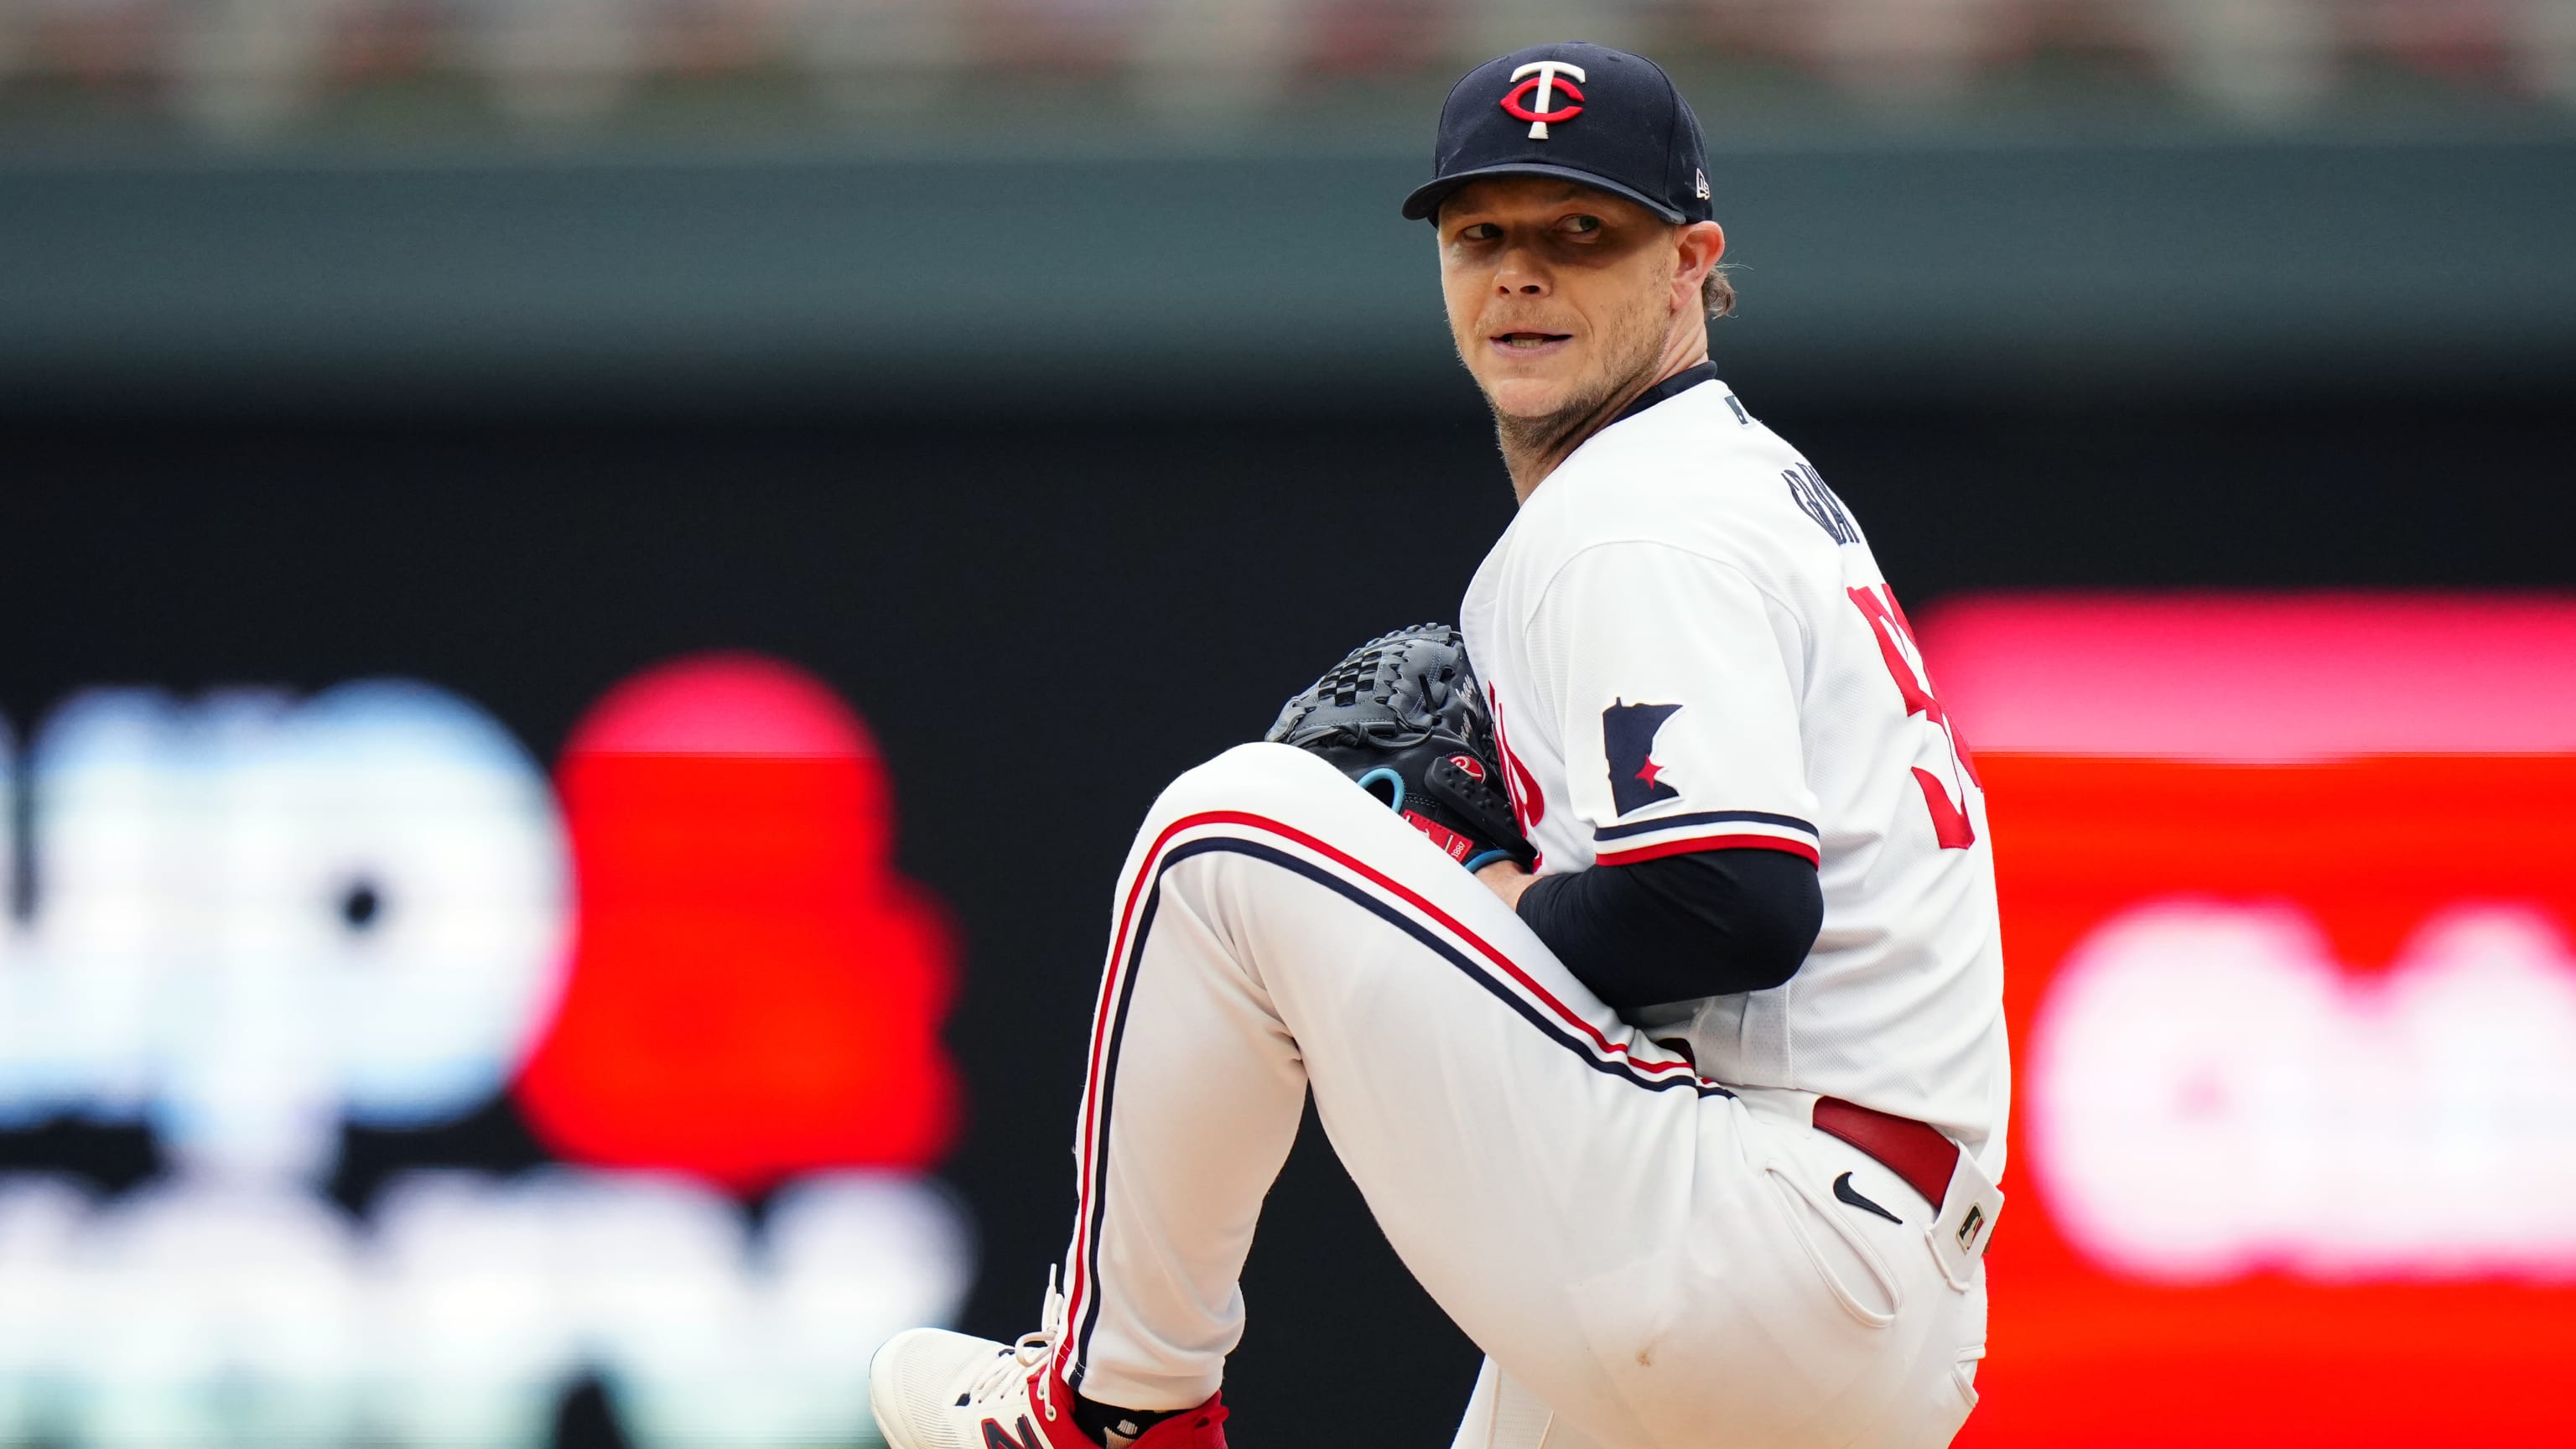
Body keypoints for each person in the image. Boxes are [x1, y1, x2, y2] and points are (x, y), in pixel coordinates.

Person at [867, 41, 2007, 1449]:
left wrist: (1489, 892)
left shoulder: (1637, 515)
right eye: (1483, 236)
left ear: (1688, 262)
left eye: (1578, 232)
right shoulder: (1729, 481)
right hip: (1861, 1288)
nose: (1520, 273)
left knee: (1225, 832)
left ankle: (1114, 1402)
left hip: (1762, 1232)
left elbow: (1732, 899)